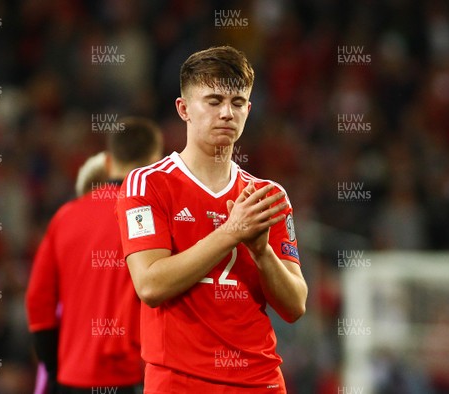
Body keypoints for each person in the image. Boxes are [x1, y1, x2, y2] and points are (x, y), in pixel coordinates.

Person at [116, 46, 308, 393]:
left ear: (249, 110)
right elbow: (150, 285)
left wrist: (263, 253)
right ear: (184, 108)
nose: (226, 113)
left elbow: (295, 305)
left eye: (237, 103)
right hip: (180, 383)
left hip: (260, 382)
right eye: (214, 101)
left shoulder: (267, 196)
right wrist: (232, 232)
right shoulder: (147, 184)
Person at [26, 117, 164, 393]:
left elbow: (38, 303)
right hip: (134, 376)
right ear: (155, 163)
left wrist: (55, 370)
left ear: (110, 162)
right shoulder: (155, 218)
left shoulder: (65, 217)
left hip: (72, 377)